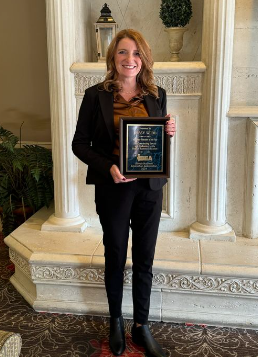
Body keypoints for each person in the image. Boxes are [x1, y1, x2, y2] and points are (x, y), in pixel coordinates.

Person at [72, 29, 176, 357]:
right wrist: (108, 168)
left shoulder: (156, 94)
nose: (129, 59)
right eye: (122, 52)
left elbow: (153, 142)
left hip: (149, 189)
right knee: (115, 255)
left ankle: (141, 326)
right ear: (113, 58)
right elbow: (79, 144)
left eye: (135, 53)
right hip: (113, 189)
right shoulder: (95, 95)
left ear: (143, 59)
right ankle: (115, 321)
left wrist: (168, 132)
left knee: (144, 258)